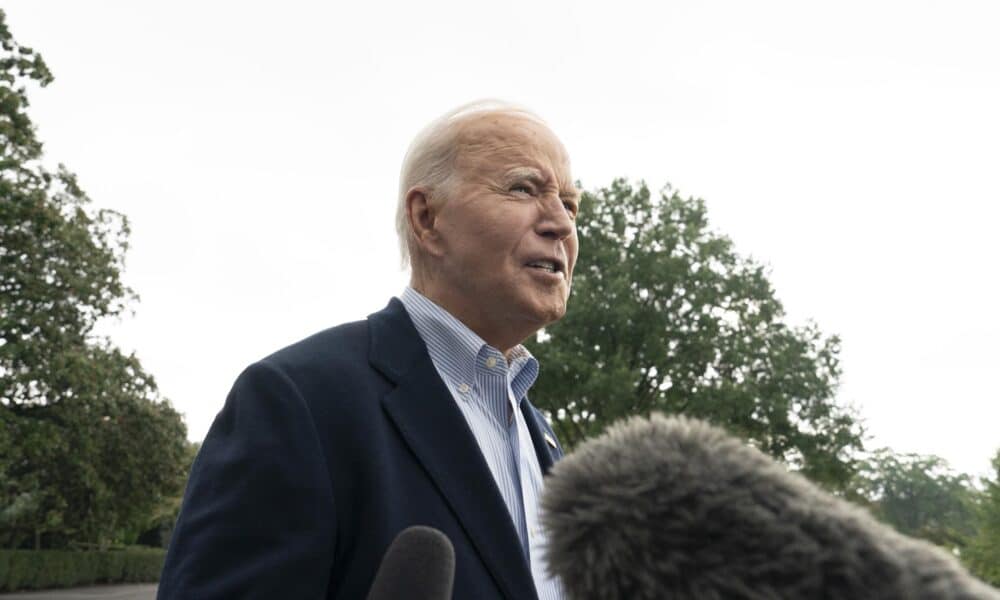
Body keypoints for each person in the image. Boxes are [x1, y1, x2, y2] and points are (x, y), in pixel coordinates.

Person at [157, 100, 579, 600]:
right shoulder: (297, 401)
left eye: (571, 204)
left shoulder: (542, 437)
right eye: (523, 188)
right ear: (427, 218)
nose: (561, 223)